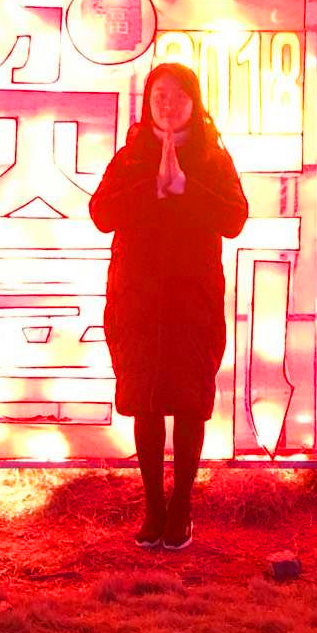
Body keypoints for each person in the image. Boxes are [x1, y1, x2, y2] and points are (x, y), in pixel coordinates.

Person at [89, 62, 249, 550]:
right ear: (148, 100)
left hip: (192, 300)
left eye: (179, 95)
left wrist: (185, 188)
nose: (169, 104)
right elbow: (100, 213)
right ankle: (153, 507)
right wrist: (151, 187)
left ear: (194, 103)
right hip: (138, 299)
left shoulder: (212, 156)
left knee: (187, 403)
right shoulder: (132, 155)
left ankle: (181, 507)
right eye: (160, 94)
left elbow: (234, 218)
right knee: (147, 402)